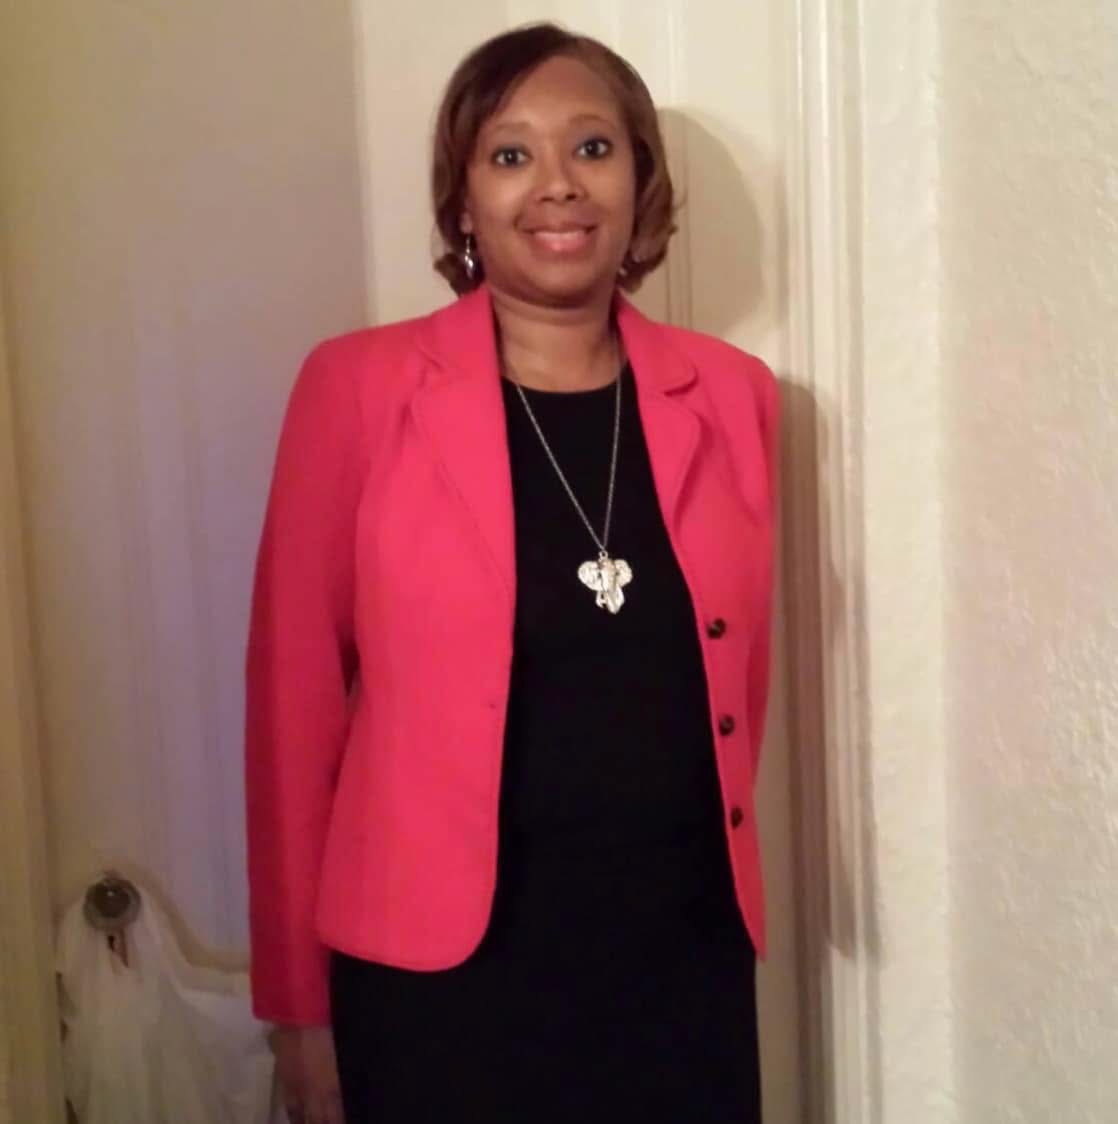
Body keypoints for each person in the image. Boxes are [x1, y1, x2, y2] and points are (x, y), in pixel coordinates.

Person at [245, 22, 779, 1124]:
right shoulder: (356, 389)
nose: (557, 184)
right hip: (439, 983)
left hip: (680, 958)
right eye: (509, 154)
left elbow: (739, 684)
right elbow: (292, 712)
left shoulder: (733, 395)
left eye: (592, 147)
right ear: (463, 198)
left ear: (639, 180)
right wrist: (298, 1008)